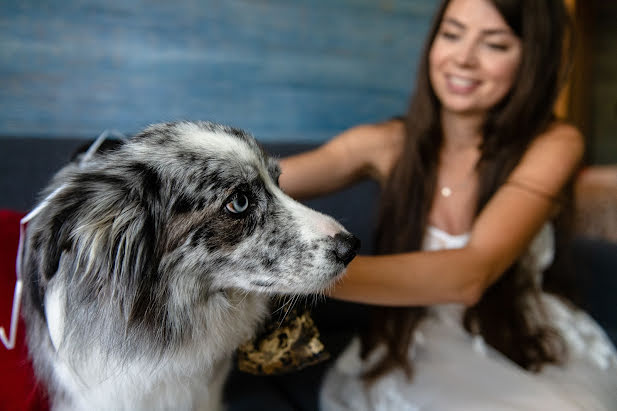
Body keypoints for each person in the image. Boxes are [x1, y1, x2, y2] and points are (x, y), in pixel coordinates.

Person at [279, 0, 617, 409]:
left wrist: (302, 270)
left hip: (513, 334)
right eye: (452, 34)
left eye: (494, 44)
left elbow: (471, 274)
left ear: (532, 59)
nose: (463, 58)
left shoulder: (553, 144)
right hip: (413, 340)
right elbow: (259, 179)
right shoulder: (384, 144)